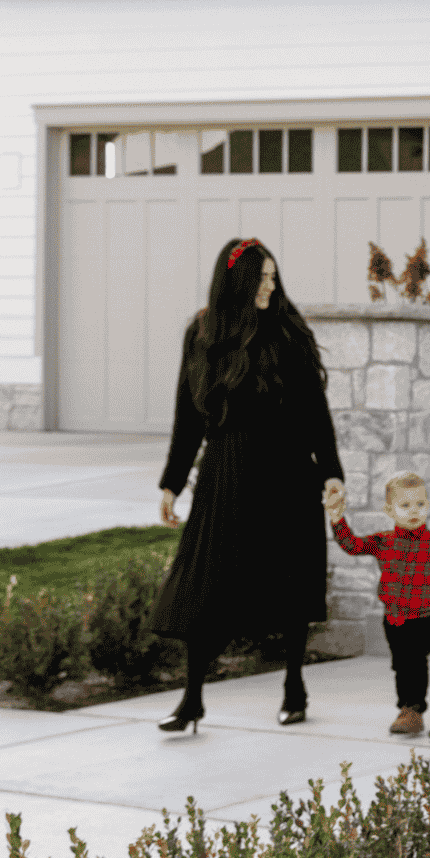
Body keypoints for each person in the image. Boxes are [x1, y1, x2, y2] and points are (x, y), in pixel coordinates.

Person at [151, 237, 346, 733]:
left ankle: (294, 687)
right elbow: (187, 414)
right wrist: (173, 482)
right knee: (204, 583)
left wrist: (331, 472)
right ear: (236, 280)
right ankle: (192, 701)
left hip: (287, 470)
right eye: (261, 278)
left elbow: (314, 409)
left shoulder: (287, 330)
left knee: (290, 582)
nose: (270, 287)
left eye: (273, 278)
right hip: (225, 472)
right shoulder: (201, 332)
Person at [326, 471, 430, 736]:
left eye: (419, 504)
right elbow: (352, 545)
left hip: (427, 615)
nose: (414, 511)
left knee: (415, 658)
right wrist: (337, 519)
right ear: (390, 510)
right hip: (395, 616)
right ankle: (406, 708)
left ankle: (414, 709)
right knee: (401, 663)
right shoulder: (383, 541)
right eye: (405, 505)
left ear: (428, 506)